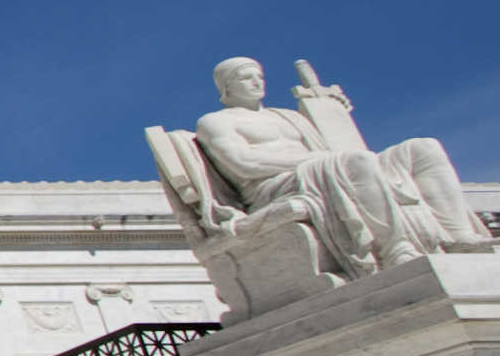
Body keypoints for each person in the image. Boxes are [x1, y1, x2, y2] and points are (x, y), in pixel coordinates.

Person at [194, 57, 489, 275]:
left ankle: (457, 234)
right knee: (355, 162)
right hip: (275, 184)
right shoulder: (217, 122)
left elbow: (336, 150)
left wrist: (329, 110)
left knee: (423, 148)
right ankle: (395, 248)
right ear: (227, 86)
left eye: (259, 76)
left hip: (326, 168)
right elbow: (244, 163)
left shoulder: (287, 116)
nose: (258, 83)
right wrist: (317, 160)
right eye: (246, 78)